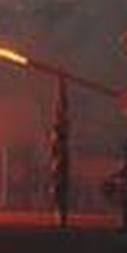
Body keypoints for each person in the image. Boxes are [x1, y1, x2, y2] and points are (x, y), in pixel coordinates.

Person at [49, 78, 71, 227]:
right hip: (58, 167)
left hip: (60, 169)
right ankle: (60, 216)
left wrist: (61, 86)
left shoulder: (61, 145)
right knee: (58, 193)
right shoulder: (58, 144)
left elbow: (61, 109)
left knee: (59, 193)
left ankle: (61, 217)